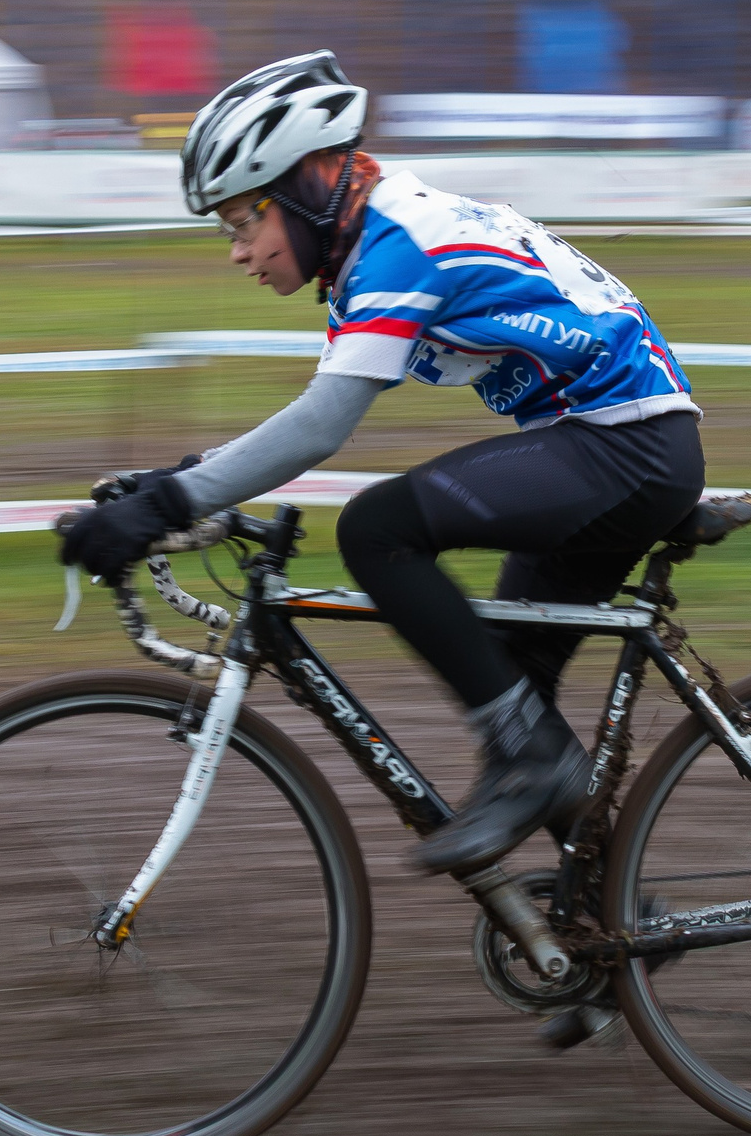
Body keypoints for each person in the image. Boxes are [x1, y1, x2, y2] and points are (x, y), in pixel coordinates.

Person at [61, 52, 706, 877]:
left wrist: (166, 504)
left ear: (301, 187)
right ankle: (610, 933)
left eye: (241, 222)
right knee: (511, 689)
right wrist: (176, 482)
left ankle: (537, 768)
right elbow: (311, 409)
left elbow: (322, 428)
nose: (237, 252)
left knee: (379, 529)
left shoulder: (401, 243)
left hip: (624, 445)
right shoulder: (373, 243)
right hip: (614, 445)